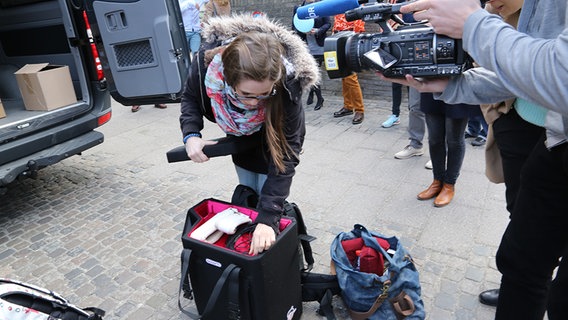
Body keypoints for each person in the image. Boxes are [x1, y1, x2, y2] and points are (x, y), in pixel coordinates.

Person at [383, 0, 568, 318]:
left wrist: (473, 23)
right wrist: (454, 85)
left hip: (551, 133)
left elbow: (560, 76)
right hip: (550, 135)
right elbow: (524, 70)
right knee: (521, 259)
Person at [179, 14, 319, 256]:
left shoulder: (287, 85)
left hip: (274, 139)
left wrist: (268, 218)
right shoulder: (206, 66)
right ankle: (249, 233)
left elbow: (286, 155)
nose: (255, 103)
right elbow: (190, 97)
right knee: (247, 189)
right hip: (239, 137)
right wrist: (191, 133)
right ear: (227, 80)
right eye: (246, 94)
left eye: (264, 94)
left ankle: (270, 245)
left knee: (270, 197)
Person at [416, 93, 476, 207]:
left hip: (458, 88)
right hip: (431, 86)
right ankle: (437, 181)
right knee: (434, 139)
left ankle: (449, 184)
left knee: (454, 140)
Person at [293, 0, 331, 111]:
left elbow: (328, 23)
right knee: (311, 71)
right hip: (306, 46)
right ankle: (316, 96)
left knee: (315, 72)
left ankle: (316, 96)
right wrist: (301, 32)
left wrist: (318, 30)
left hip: (319, 46)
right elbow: (294, 26)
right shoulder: (299, 8)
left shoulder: (320, 6)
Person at [331, 13, 365, 125]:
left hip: (349, 41)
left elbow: (358, 28)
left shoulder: (354, 7)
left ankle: (359, 110)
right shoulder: (338, 8)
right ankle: (348, 106)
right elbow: (335, 25)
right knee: (344, 76)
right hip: (337, 40)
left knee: (351, 77)